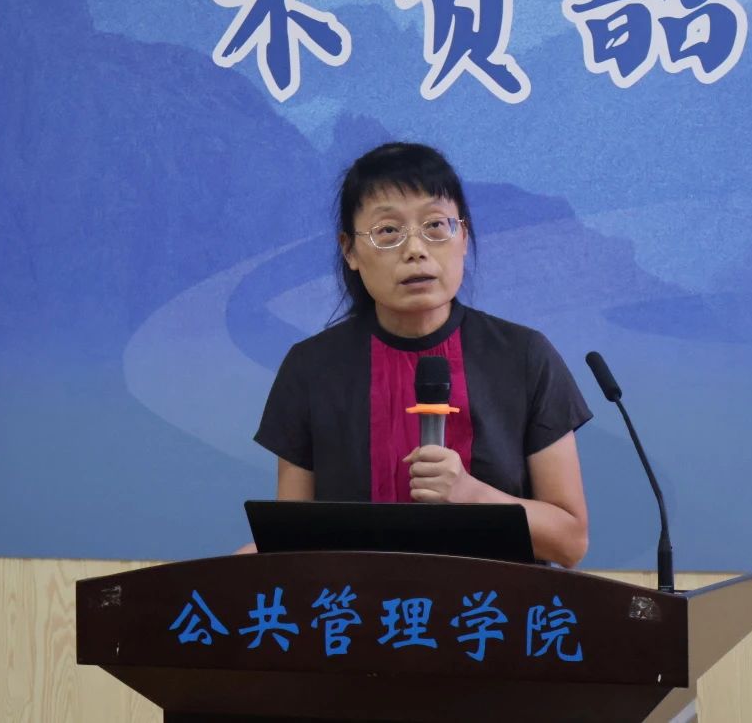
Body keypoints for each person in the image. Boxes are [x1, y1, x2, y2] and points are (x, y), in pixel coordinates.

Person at [252, 142, 591, 567]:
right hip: (358, 606)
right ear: (349, 250)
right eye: (388, 231)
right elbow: (291, 546)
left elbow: (570, 542)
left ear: (463, 236)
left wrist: (470, 494)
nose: (416, 249)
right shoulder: (311, 369)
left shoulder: (525, 357)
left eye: (435, 225)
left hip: (491, 607)